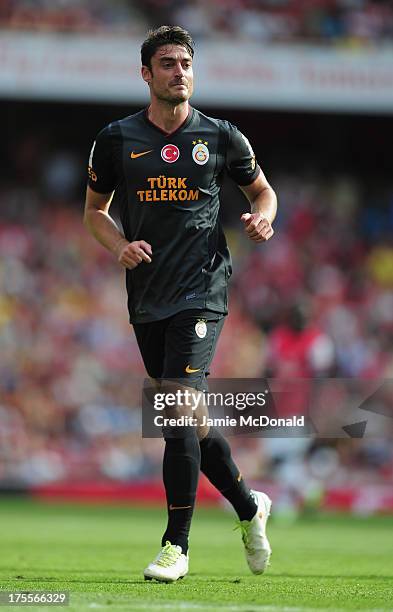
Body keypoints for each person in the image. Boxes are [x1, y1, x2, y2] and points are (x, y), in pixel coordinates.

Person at [84, 25, 277, 583]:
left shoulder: (221, 137)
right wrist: (120, 244)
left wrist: (264, 215)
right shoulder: (116, 139)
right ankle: (248, 506)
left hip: (203, 287)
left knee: (173, 409)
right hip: (147, 294)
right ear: (146, 74)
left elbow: (262, 190)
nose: (179, 72)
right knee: (187, 415)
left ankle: (176, 546)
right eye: (167, 63)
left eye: (185, 63)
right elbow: (94, 211)